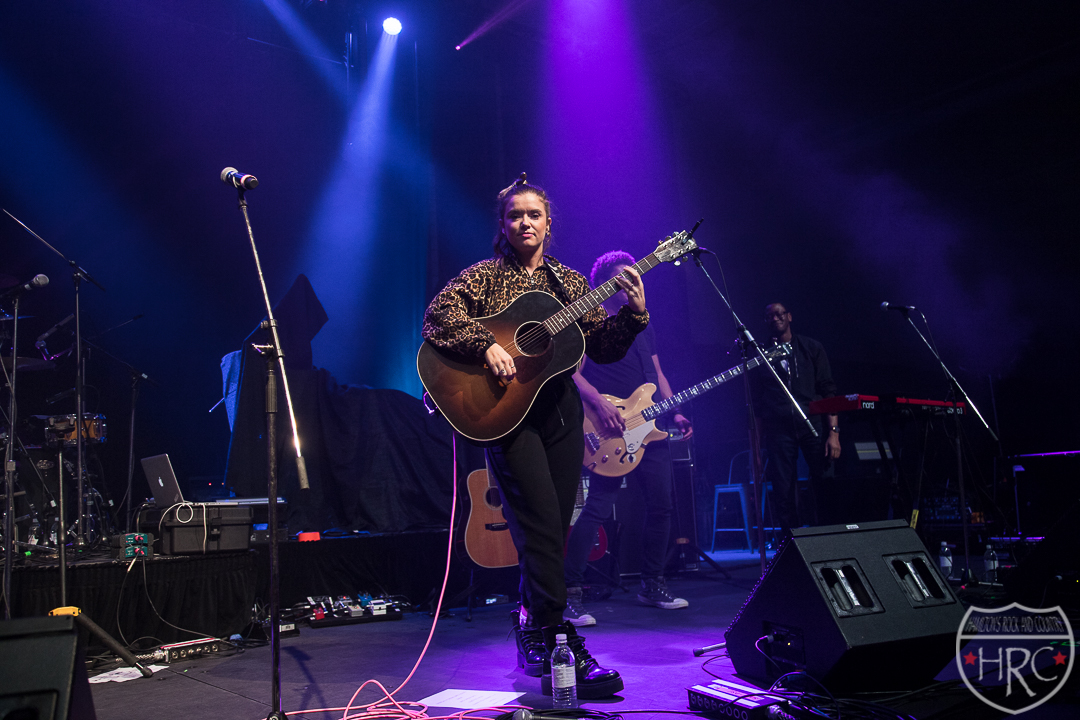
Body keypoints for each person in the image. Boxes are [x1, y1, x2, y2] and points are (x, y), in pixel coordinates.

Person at [421, 174, 649, 698]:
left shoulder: (569, 282)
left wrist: (634, 315)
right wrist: (485, 344)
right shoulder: (484, 277)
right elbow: (439, 317)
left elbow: (604, 347)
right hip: (507, 413)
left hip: (560, 413)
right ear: (503, 224)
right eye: (515, 215)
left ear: (548, 224)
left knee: (554, 524)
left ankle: (532, 627)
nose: (525, 222)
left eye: (534, 215)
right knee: (541, 522)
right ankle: (558, 638)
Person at [563, 251, 692, 626]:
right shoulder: (590, 322)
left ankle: (653, 584)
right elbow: (571, 372)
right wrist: (598, 404)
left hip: (649, 427)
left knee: (662, 506)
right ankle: (570, 594)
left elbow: (657, 374)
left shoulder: (643, 323)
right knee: (598, 508)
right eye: (625, 277)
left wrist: (674, 411)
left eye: (636, 277)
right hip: (608, 429)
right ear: (607, 284)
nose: (634, 283)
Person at [749, 302, 840, 535]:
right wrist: (756, 449)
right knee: (783, 489)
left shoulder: (811, 347)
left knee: (825, 481)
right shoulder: (760, 356)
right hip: (778, 429)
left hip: (813, 424)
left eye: (779, 314)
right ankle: (792, 542)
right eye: (769, 316)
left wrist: (834, 433)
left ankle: (831, 538)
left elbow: (828, 391)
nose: (775, 318)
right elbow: (757, 405)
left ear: (789, 316)